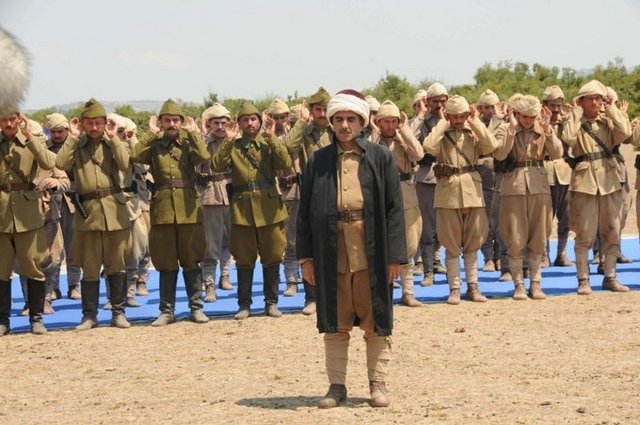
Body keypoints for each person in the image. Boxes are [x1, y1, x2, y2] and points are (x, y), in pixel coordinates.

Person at [297, 89, 406, 408]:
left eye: (351, 119)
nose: (345, 125)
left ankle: (377, 384)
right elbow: (304, 213)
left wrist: (395, 257)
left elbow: (394, 209)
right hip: (331, 251)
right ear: (332, 122)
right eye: (339, 119)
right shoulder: (317, 160)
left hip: (372, 250)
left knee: (376, 319)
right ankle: (336, 386)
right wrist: (306, 257)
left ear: (362, 122)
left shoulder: (380, 157)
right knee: (335, 321)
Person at [55, 98, 132, 330]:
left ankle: (118, 313)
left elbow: (125, 163)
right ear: (82, 124)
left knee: (116, 265)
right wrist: (72, 137)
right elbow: (60, 162)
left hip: (114, 211)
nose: (94, 127)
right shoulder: (76, 145)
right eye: (89, 123)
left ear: (105, 123)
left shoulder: (112, 143)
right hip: (87, 213)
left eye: (98, 123)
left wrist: (114, 138)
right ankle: (89, 316)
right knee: (89, 267)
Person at [131, 99, 210, 326]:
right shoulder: (155, 145)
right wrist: (150, 133)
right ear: (161, 122)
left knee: (191, 260)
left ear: (182, 122)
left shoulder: (188, 143)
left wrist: (193, 133)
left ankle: (196, 308)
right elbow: (136, 155)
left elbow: (203, 157)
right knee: (166, 263)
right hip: (163, 209)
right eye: (167, 120)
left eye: (176, 120)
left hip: (188, 209)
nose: (172, 124)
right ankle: (167, 311)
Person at [211, 102, 291, 320]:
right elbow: (216, 166)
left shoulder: (268, 144)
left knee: (273, 256)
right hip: (242, 211)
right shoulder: (234, 146)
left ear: (260, 121)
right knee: (244, 259)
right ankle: (244, 305)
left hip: (269, 209)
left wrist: (272, 137)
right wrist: (228, 140)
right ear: (239, 123)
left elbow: (285, 162)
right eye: (245, 120)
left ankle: (271, 303)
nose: (250, 123)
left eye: (253, 119)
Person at [423, 95, 498, 304]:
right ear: (448, 116)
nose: (458, 120)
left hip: (472, 192)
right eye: (454, 116)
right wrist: (442, 124)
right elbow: (428, 146)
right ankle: (454, 288)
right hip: (447, 194)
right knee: (451, 242)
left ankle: (473, 286)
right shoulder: (441, 133)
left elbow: (492, 145)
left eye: (462, 116)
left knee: (474, 242)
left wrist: (475, 122)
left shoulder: (473, 132)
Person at [563, 80, 632, 294]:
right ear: (581, 101)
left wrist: (612, 108)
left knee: (612, 232)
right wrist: (576, 114)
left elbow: (625, 132)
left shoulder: (607, 121)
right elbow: (568, 138)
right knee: (584, 234)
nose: (595, 103)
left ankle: (610, 277)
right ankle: (583, 280)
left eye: (598, 98)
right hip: (584, 184)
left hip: (609, 182)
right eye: (590, 99)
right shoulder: (574, 121)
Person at [494, 95, 562, 300]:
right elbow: (499, 154)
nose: (528, 121)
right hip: (513, 187)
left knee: (539, 237)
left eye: (532, 117)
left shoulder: (542, 129)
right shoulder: (505, 128)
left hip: (538, 186)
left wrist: (548, 130)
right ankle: (518, 285)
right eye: (524, 116)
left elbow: (557, 153)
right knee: (515, 237)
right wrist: (512, 129)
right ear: (516, 114)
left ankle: (535, 283)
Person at [0, 112, 56, 335]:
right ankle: (3, 321)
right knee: (1, 270)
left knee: (33, 267)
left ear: (19, 118)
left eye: (12, 118)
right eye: (3, 119)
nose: (9, 123)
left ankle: (36, 318)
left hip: (27, 213)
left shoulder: (32, 139)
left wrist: (30, 137)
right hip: (1, 213)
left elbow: (49, 162)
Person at [371, 100, 424, 307]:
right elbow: (366, 158)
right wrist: (375, 133)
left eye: (393, 121)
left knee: (409, 243)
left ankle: (408, 292)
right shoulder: (372, 141)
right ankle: (384, 294)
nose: (390, 126)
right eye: (386, 121)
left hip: (405, 194)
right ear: (379, 122)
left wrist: (405, 131)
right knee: (382, 245)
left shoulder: (403, 139)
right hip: (381, 196)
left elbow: (418, 154)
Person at [411, 82, 448, 287]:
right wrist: (421, 116)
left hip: (448, 177)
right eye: (435, 101)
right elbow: (409, 138)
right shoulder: (421, 121)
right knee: (426, 227)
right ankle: (427, 271)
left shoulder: (452, 119)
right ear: (428, 101)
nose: (439, 105)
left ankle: (437, 260)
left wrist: (444, 120)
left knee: (447, 226)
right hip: (426, 176)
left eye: (443, 101)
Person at [196, 103, 233, 302]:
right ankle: (209, 283)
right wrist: (203, 134)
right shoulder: (203, 141)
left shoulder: (234, 141)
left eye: (223, 123)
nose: (220, 127)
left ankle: (225, 275)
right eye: (216, 123)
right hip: (210, 195)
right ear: (208, 123)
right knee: (210, 244)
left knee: (229, 241)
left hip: (231, 193)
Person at [44, 113, 82, 300]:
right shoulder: (44, 148)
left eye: (60, 131)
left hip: (73, 201)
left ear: (67, 130)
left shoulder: (77, 146)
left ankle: (74, 285)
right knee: (53, 248)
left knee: (73, 247)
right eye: (53, 132)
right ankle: (53, 287)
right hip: (52, 203)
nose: (57, 135)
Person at [541, 85, 574, 267]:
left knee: (566, 217)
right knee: (544, 219)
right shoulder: (537, 121)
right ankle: (543, 254)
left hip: (564, 173)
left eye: (558, 105)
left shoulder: (566, 121)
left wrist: (570, 120)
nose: (555, 109)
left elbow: (572, 141)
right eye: (552, 105)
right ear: (544, 104)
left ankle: (561, 254)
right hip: (544, 173)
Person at [476, 89, 501, 272]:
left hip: (500, 179)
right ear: (480, 109)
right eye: (486, 107)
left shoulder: (504, 123)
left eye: (493, 107)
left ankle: (499, 256)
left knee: (500, 221)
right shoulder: (474, 125)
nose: (490, 110)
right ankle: (488, 257)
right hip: (483, 179)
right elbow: (486, 142)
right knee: (484, 221)